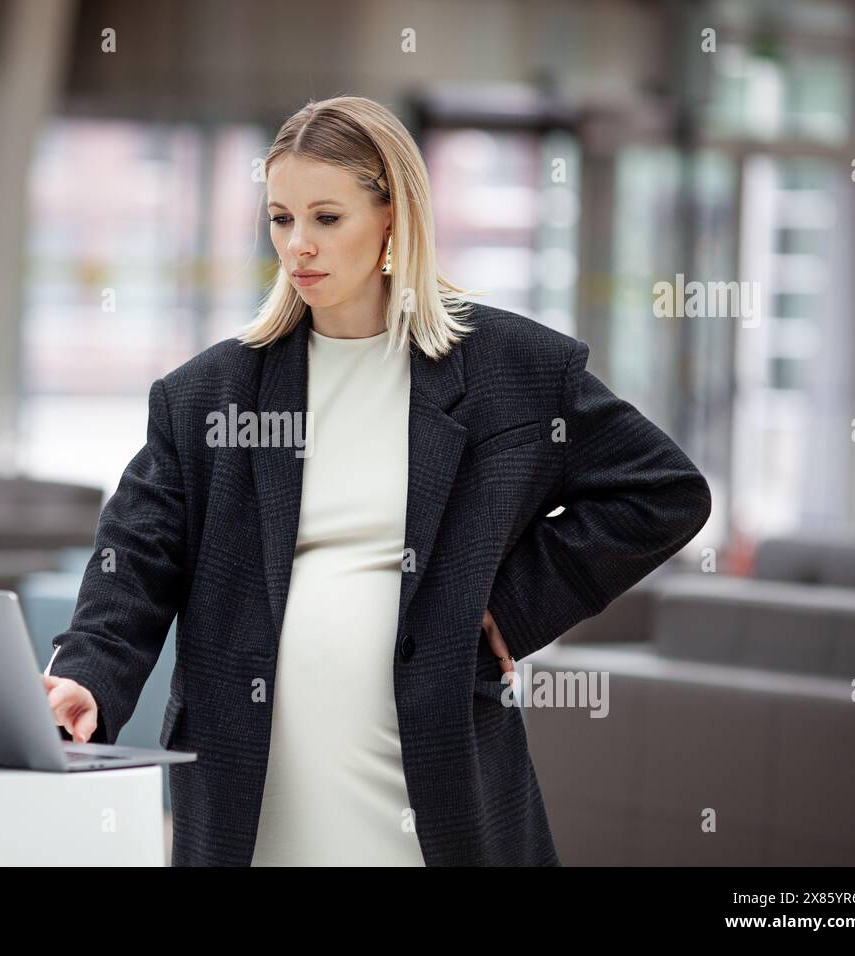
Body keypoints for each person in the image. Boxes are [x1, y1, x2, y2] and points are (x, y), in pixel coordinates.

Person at [43, 95, 712, 866]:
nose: (298, 245)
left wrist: (512, 605)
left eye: (327, 218)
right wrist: (87, 676)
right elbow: (137, 558)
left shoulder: (511, 369)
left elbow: (663, 489)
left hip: (432, 780)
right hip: (252, 784)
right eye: (280, 218)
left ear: (392, 216)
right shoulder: (207, 395)